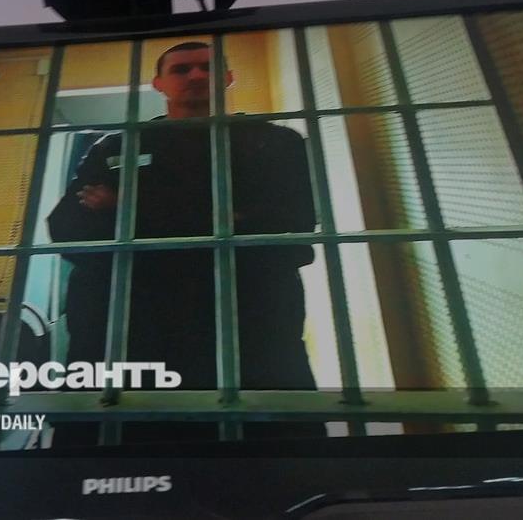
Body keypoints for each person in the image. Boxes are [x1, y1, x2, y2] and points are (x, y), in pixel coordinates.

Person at [46, 41, 321, 446]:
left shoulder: (274, 143)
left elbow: (290, 224)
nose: (195, 76)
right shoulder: (118, 145)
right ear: (158, 83)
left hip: (249, 323)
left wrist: (127, 207)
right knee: (113, 450)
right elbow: (69, 230)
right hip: (128, 327)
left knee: (268, 449)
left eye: (207, 67)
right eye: (181, 69)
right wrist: (221, 219)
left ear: (228, 78)